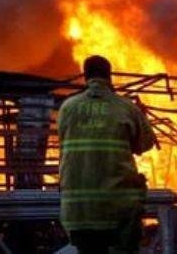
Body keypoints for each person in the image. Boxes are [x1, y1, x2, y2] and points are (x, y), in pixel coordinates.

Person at [58, 55, 156, 254]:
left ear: (85, 77)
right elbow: (145, 144)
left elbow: (64, 141)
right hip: (118, 210)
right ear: (109, 76)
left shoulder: (67, 108)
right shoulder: (126, 107)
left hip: (78, 212)